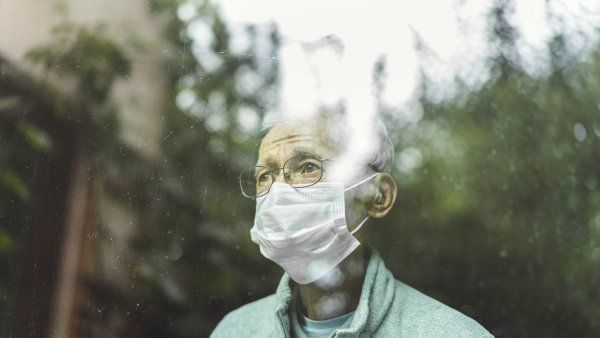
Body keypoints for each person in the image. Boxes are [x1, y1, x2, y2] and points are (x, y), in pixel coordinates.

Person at [211, 110, 492, 337]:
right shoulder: (233, 330)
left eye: (308, 167)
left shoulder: (449, 333)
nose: (278, 190)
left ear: (377, 196)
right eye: (265, 176)